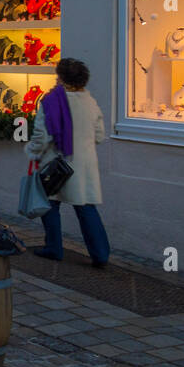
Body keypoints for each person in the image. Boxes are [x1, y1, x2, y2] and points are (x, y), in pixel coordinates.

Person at [25, 57, 111, 267]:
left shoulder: (51, 101)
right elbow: (99, 136)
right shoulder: (90, 102)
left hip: (56, 163)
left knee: (49, 204)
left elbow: (41, 136)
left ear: (61, 78)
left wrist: (31, 152)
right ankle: (100, 254)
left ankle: (54, 247)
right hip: (84, 165)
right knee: (86, 207)